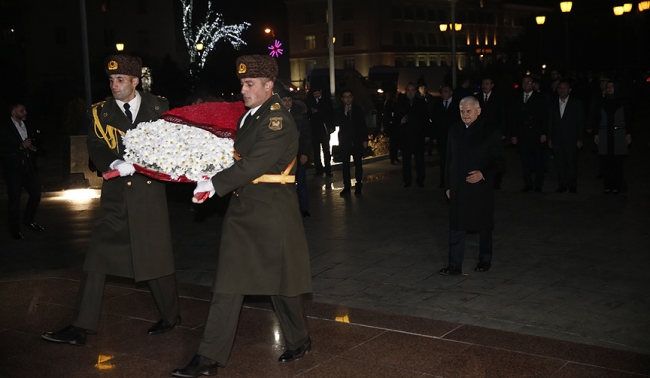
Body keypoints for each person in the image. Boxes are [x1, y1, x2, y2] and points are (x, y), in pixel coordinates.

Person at [173, 55, 312, 377]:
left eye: (249, 84)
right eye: (241, 83)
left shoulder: (277, 119)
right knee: (229, 283)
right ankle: (208, 357)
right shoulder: (252, 116)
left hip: (271, 212)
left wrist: (213, 183)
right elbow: (237, 155)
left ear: (268, 86)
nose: (243, 89)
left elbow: (255, 164)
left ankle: (299, 338)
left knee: (282, 285)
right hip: (245, 208)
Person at [42, 55, 180, 346]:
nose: (114, 85)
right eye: (111, 80)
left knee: (155, 258)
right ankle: (81, 326)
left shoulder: (160, 106)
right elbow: (94, 144)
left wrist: (148, 163)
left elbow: (174, 144)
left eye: (120, 80)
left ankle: (171, 315)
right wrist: (115, 163)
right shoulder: (100, 112)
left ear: (135, 81)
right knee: (97, 257)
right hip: (116, 195)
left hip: (149, 193)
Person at [440, 96, 504, 276]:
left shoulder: (490, 130)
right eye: (462, 111)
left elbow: (499, 161)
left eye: (469, 111)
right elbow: (448, 161)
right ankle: (454, 265)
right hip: (458, 186)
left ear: (478, 111)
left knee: (483, 225)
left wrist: (483, 174)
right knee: (456, 226)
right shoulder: (454, 130)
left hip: (479, 187)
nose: (465, 115)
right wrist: (447, 185)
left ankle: (485, 259)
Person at [0, 103, 43, 240]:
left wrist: (34, 148)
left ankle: (28, 221)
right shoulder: (5, 127)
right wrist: (19, 147)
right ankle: (14, 230)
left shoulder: (28, 126)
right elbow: (3, 148)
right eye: (22, 111)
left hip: (29, 166)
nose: (25, 112)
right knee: (15, 199)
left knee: (36, 192)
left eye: (25, 110)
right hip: (13, 168)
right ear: (14, 112)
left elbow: (39, 143)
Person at [510, 75, 549, 192]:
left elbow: (545, 116)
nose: (526, 84)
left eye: (528, 82)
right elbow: (513, 118)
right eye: (524, 82)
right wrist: (513, 134)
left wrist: (544, 133)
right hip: (522, 134)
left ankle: (538, 184)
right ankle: (528, 183)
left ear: (533, 84)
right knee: (524, 161)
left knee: (538, 160)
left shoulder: (540, 98)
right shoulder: (517, 99)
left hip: (536, 133)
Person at [594, 81, 632, 194]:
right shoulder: (601, 101)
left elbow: (628, 118)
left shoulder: (622, 101)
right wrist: (596, 133)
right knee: (606, 161)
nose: (610, 88)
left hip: (619, 134)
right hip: (605, 134)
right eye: (608, 86)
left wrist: (629, 133)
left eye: (612, 86)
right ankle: (608, 185)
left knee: (617, 162)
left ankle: (617, 185)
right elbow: (597, 118)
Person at [279, 89, 312, 216]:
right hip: (282, 156)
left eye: (289, 100)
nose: (287, 103)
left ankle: (304, 208)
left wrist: (304, 153)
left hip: (297, 155)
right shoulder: (275, 115)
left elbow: (306, 136)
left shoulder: (300, 115)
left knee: (301, 181)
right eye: (284, 100)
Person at [392, 83, 431, 188]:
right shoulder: (400, 103)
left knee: (419, 161)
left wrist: (427, 134)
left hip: (418, 136)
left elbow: (426, 119)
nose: (410, 92)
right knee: (406, 161)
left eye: (412, 90)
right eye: (408, 90)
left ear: (415, 91)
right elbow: (395, 118)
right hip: (405, 136)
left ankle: (420, 180)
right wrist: (400, 121)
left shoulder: (421, 103)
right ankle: (407, 181)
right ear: (405, 91)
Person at [548, 81, 584, 193]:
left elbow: (580, 122)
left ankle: (572, 185)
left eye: (565, 88)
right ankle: (562, 184)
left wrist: (580, 138)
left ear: (569, 90)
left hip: (571, 139)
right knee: (559, 163)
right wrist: (549, 138)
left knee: (571, 163)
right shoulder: (553, 104)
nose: (562, 90)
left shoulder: (576, 103)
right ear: (557, 90)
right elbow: (550, 122)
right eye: (560, 88)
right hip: (557, 139)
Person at [334, 89, 368, 196]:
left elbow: (363, 125)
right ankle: (347, 187)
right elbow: (336, 122)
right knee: (346, 165)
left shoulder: (358, 109)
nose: (347, 99)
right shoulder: (339, 110)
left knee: (358, 163)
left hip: (357, 140)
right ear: (342, 98)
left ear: (352, 97)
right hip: (345, 141)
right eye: (345, 96)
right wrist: (344, 113)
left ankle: (358, 184)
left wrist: (365, 139)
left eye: (349, 96)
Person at [477, 78, 506, 189]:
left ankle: (496, 181)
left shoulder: (498, 98)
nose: (484, 86)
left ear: (492, 85)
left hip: (494, 132)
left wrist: (503, 132)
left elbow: (502, 115)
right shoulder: (477, 98)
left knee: (495, 157)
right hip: (481, 132)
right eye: (483, 83)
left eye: (487, 84)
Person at [431, 85, 460, 188]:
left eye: (446, 91)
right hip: (442, 137)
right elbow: (434, 121)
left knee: (454, 160)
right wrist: (434, 136)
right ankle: (443, 181)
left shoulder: (457, 105)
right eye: (442, 92)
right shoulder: (438, 104)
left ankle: (454, 181)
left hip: (454, 138)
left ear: (451, 92)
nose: (443, 93)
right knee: (443, 161)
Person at [306, 84, 334, 176]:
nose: (316, 95)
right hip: (314, 129)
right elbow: (308, 113)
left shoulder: (326, 100)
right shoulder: (310, 101)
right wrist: (312, 112)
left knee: (326, 149)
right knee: (316, 150)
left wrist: (331, 127)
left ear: (320, 92)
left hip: (324, 128)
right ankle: (319, 169)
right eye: (314, 94)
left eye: (317, 93)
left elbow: (330, 113)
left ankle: (328, 168)